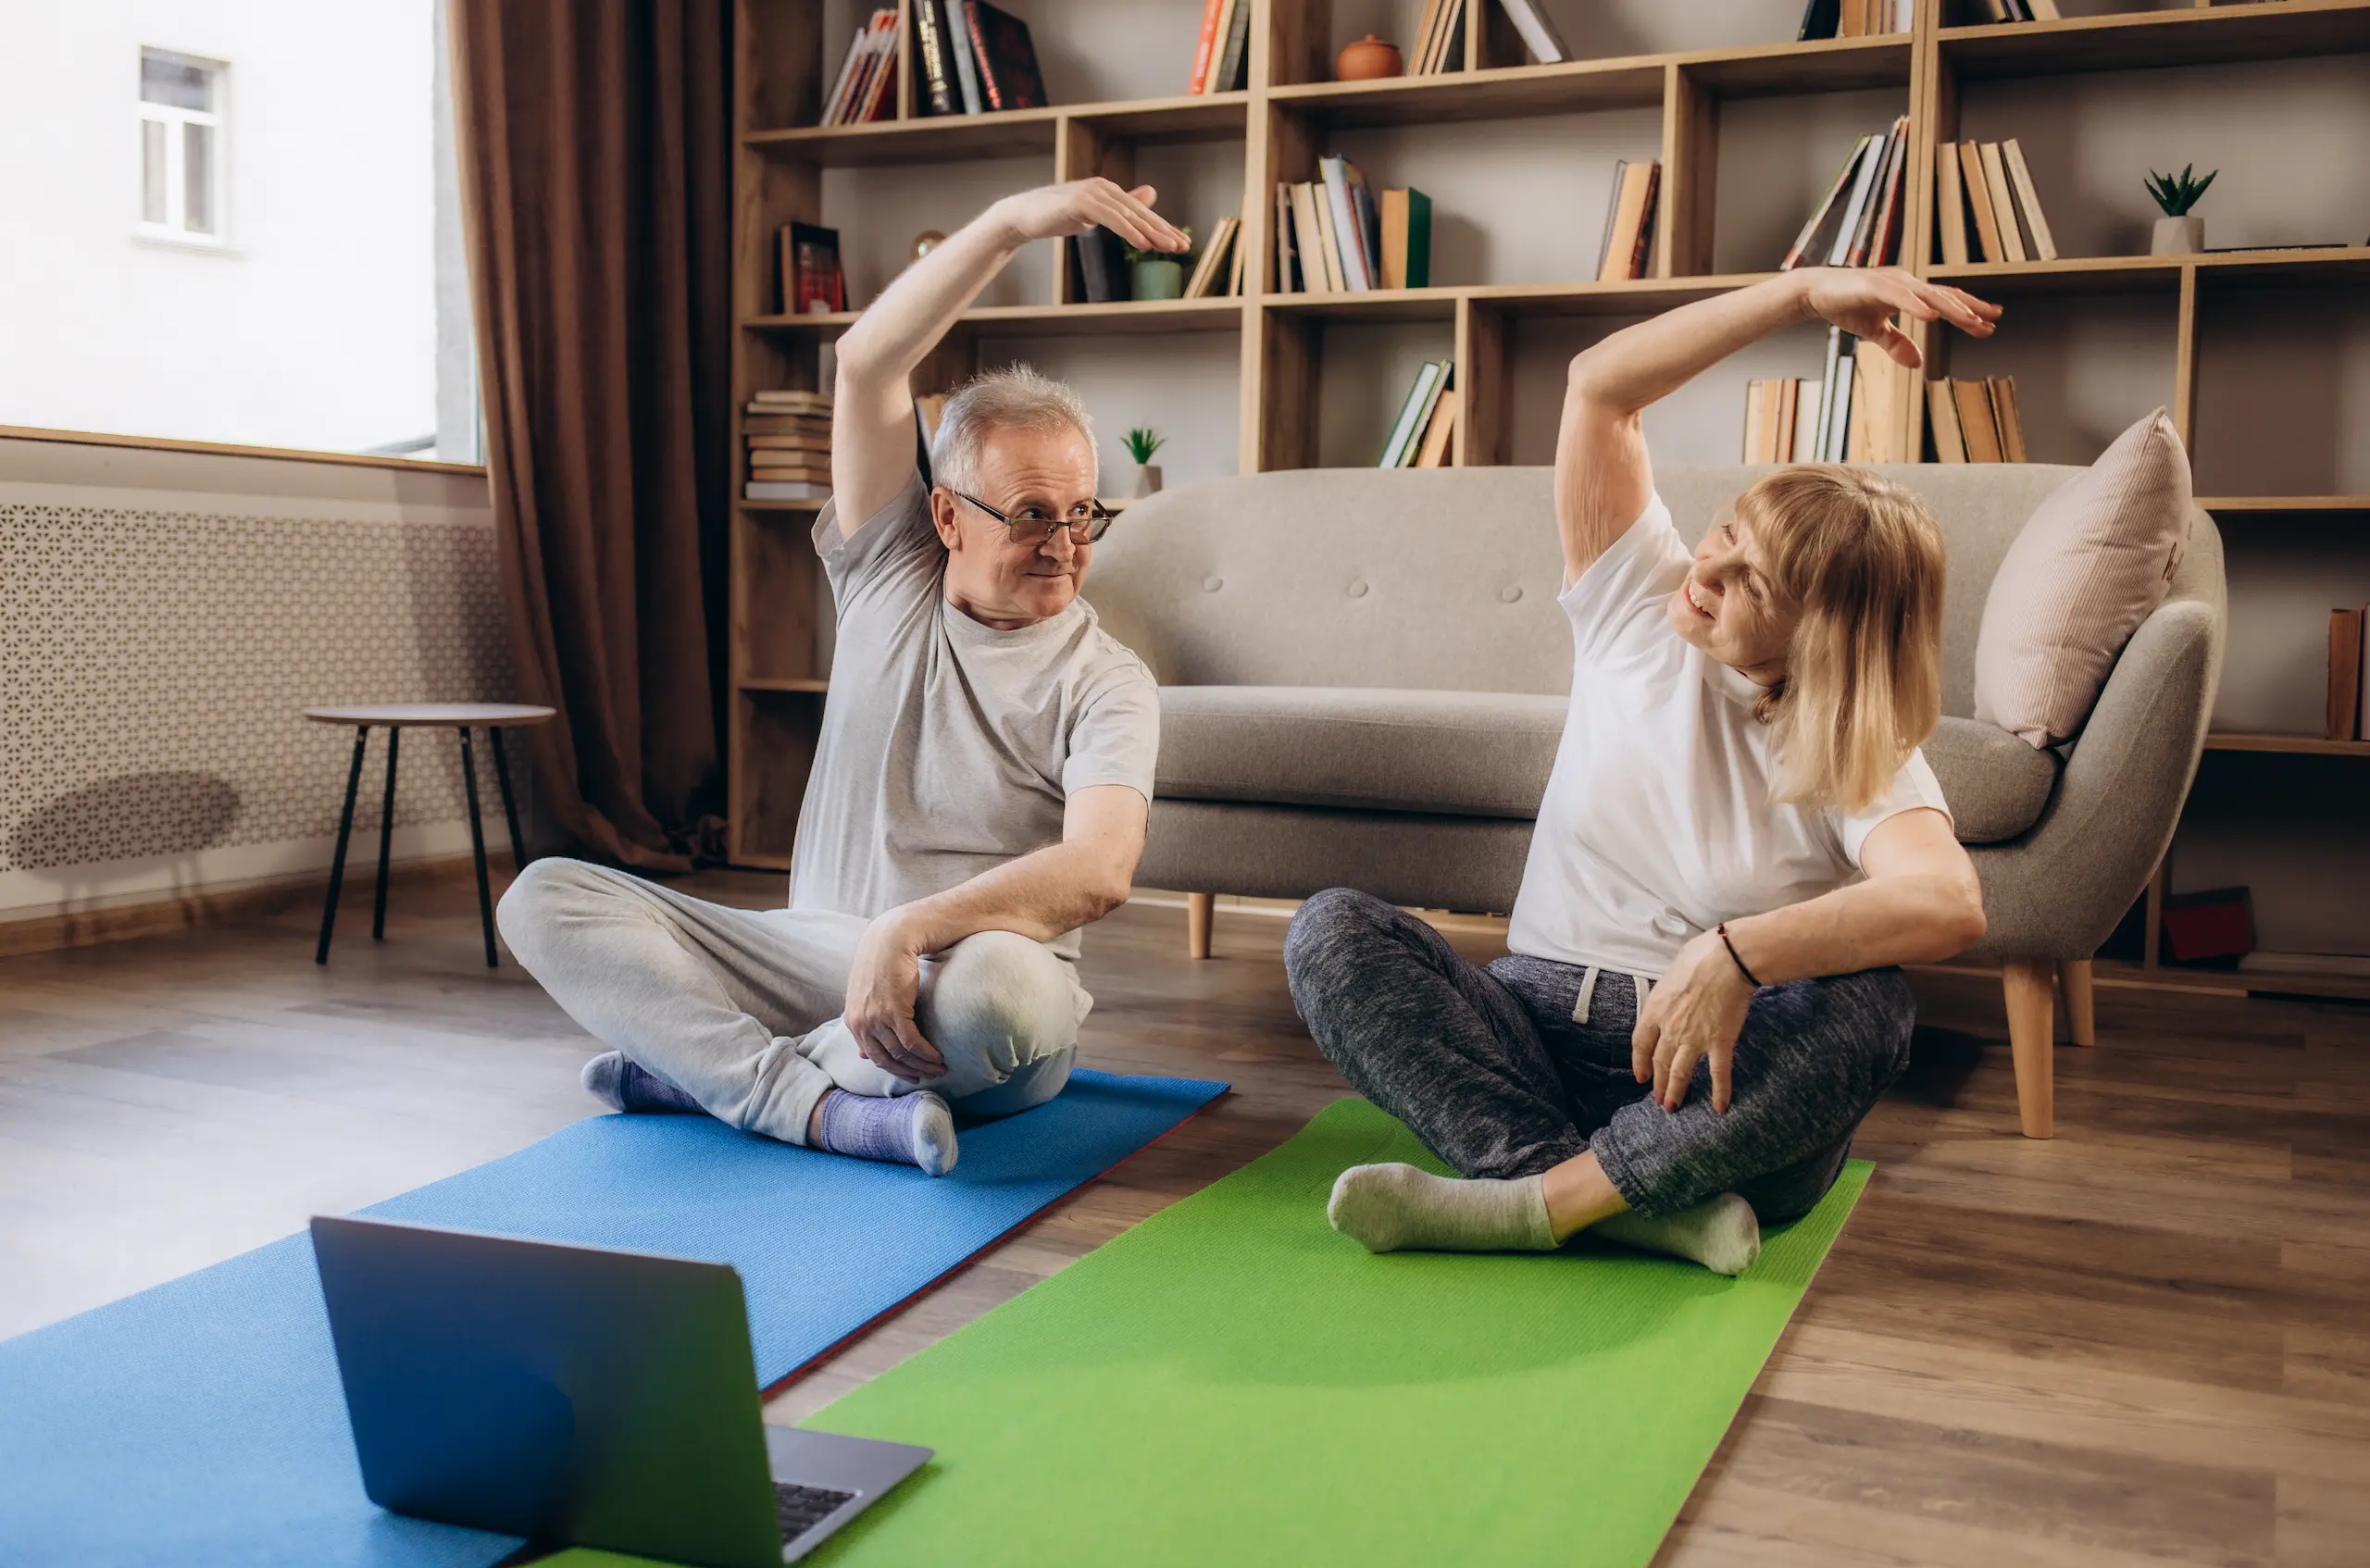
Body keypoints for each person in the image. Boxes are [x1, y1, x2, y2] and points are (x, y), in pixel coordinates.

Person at [1283, 268, 2002, 1273]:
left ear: (1826, 636)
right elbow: (1598, 388)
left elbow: (1947, 901)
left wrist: (1736, 956)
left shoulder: (1853, 744)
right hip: (1533, 1035)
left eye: (1753, 580)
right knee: (1330, 933)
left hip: (1715, 1091)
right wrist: (1798, 296)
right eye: (1725, 534)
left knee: (1872, 1007)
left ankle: (1529, 1201)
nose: (1705, 573)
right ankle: (1621, 1202)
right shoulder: (1639, 599)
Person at [498, 179, 1192, 1176]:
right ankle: (811, 1103)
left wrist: (907, 931)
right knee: (543, 898)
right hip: (811, 957)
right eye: (1032, 513)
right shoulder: (890, 573)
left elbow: (1099, 870)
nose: (1064, 543)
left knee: (995, 997)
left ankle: (700, 1069)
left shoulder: (1108, 680)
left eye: (1082, 513)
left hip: (973, 985)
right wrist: (1006, 223)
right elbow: (867, 362)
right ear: (946, 519)